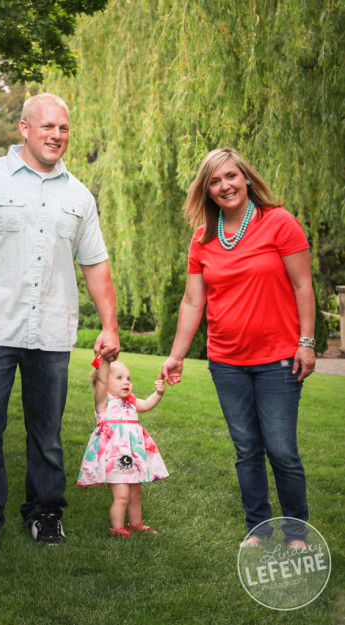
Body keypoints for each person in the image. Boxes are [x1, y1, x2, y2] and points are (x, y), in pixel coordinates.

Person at [0, 93, 120, 555]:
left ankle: (45, 513)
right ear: (24, 128)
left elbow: (96, 264)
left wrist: (110, 324)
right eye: (46, 127)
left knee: (47, 433)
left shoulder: (79, 196)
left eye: (63, 128)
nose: (56, 135)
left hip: (52, 331)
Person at [160, 146, 315, 549]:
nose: (224, 185)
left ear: (245, 178)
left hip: (279, 358)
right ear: (207, 191)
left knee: (281, 450)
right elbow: (194, 301)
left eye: (230, 176)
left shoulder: (280, 223)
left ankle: (296, 531)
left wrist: (307, 342)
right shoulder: (203, 238)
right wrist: (176, 355)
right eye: (214, 181)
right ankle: (258, 528)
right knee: (247, 449)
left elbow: (303, 286)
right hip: (226, 361)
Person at [77, 357, 169, 537]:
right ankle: (117, 528)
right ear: (102, 382)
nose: (126, 381)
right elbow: (102, 380)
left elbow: (147, 405)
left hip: (132, 456)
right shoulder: (103, 401)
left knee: (136, 492)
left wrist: (158, 394)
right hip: (115, 458)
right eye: (118, 378)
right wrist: (104, 362)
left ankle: (135, 524)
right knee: (122, 495)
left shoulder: (130, 402)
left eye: (128, 378)